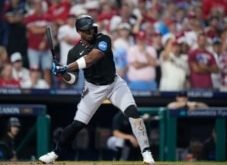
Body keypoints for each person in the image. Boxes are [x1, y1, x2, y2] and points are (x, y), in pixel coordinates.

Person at [39, 15, 155, 165]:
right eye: (87, 30)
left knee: (134, 114)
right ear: (79, 32)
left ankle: (146, 153)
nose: (91, 32)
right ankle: (55, 153)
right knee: (77, 124)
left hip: (115, 84)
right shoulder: (73, 52)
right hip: (93, 88)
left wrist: (66, 67)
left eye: (92, 28)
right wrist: (62, 74)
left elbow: (92, 58)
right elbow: (72, 80)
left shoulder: (103, 39)